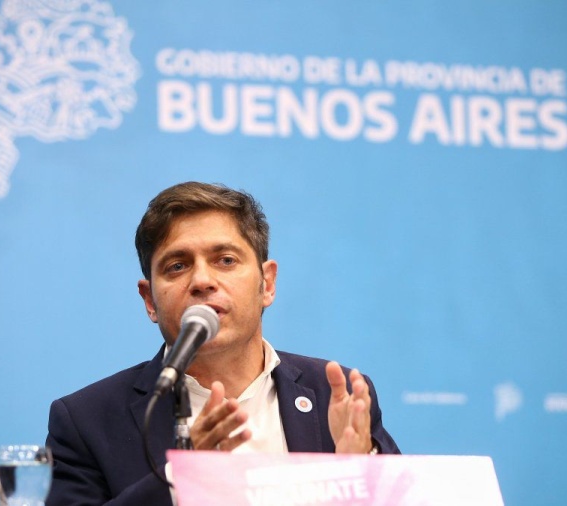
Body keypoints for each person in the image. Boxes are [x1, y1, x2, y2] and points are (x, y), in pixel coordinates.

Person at [45, 182, 400, 505]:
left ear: (268, 283)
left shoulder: (334, 394)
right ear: (149, 300)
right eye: (177, 266)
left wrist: (363, 475)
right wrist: (178, 479)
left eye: (225, 260)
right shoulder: (85, 421)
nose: (202, 280)